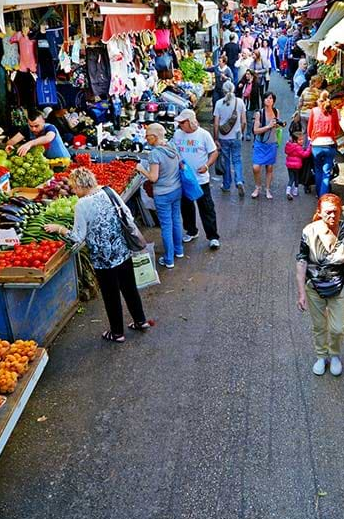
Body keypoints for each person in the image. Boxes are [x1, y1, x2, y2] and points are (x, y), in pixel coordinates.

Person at [44, 168, 149, 343]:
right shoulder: (109, 191)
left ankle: (117, 333)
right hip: (122, 251)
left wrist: (60, 229)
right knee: (130, 288)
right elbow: (127, 215)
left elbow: (77, 237)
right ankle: (140, 321)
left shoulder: (82, 204)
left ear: (79, 185)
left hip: (102, 260)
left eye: (74, 188)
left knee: (111, 295)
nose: (74, 192)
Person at [296, 194, 344, 376]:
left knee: (338, 327)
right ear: (319, 212)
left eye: (335, 212)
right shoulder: (309, 231)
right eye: (327, 213)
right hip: (314, 286)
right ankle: (321, 356)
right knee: (319, 325)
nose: (332, 216)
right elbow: (301, 261)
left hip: (340, 284)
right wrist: (301, 293)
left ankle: (335, 354)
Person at [173, 109, 221, 249]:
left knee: (206, 207)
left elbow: (214, 152)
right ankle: (191, 230)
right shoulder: (177, 134)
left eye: (182, 122)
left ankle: (212, 236)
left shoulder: (203, 135)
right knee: (186, 207)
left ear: (190, 122)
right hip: (184, 178)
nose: (180, 125)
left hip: (200, 179)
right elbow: (174, 151)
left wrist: (206, 165)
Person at [138, 124, 183, 269]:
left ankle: (169, 259)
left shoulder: (155, 154)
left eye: (147, 136)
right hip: (176, 189)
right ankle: (179, 250)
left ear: (155, 137)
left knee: (166, 226)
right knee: (176, 219)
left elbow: (153, 178)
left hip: (163, 194)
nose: (146, 138)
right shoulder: (172, 146)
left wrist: (141, 169)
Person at [213, 80, 246, 196]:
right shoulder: (240, 102)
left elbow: (216, 123)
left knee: (226, 161)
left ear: (223, 91)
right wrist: (240, 133)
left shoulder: (218, 103)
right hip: (236, 135)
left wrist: (216, 138)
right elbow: (244, 122)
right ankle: (239, 181)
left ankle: (226, 184)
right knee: (237, 159)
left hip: (223, 137)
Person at [307, 90, 340, 197]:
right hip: (329, 145)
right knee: (326, 172)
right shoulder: (334, 111)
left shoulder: (314, 111)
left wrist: (310, 138)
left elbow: (309, 128)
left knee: (318, 170)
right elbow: (337, 129)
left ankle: (318, 193)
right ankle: (323, 196)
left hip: (316, 145)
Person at [251, 91, 283, 200]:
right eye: (266, 98)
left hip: (271, 143)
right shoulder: (259, 113)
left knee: (269, 167)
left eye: (271, 98)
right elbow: (255, 131)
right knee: (256, 167)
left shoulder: (276, 111)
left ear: (273, 101)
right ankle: (257, 187)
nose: (268, 100)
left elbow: (277, 126)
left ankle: (267, 189)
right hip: (260, 143)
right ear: (263, 100)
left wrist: (278, 126)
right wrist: (268, 126)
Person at [6, 109, 71, 159]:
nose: (33, 129)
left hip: (63, 161)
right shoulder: (26, 129)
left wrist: (30, 143)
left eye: (36, 126)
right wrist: (9, 145)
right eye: (31, 126)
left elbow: (48, 138)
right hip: (48, 164)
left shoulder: (50, 127)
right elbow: (12, 141)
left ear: (43, 122)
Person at [284, 128, 312, 200]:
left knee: (291, 178)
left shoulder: (289, 145)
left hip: (289, 165)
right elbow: (304, 154)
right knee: (296, 178)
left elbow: (286, 152)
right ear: (295, 140)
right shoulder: (298, 147)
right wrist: (309, 147)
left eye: (302, 139)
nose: (302, 141)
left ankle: (288, 190)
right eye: (300, 140)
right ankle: (295, 191)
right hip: (297, 166)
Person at [236, 69, 260, 142]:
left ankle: (248, 134)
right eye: (246, 74)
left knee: (249, 120)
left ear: (252, 76)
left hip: (250, 104)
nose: (247, 75)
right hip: (242, 103)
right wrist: (240, 86)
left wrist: (257, 108)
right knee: (241, 120)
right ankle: (241, 133)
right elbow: (237, 90)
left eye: (249, 74)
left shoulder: (255, 84)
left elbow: (256, 95)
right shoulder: (243, 82)